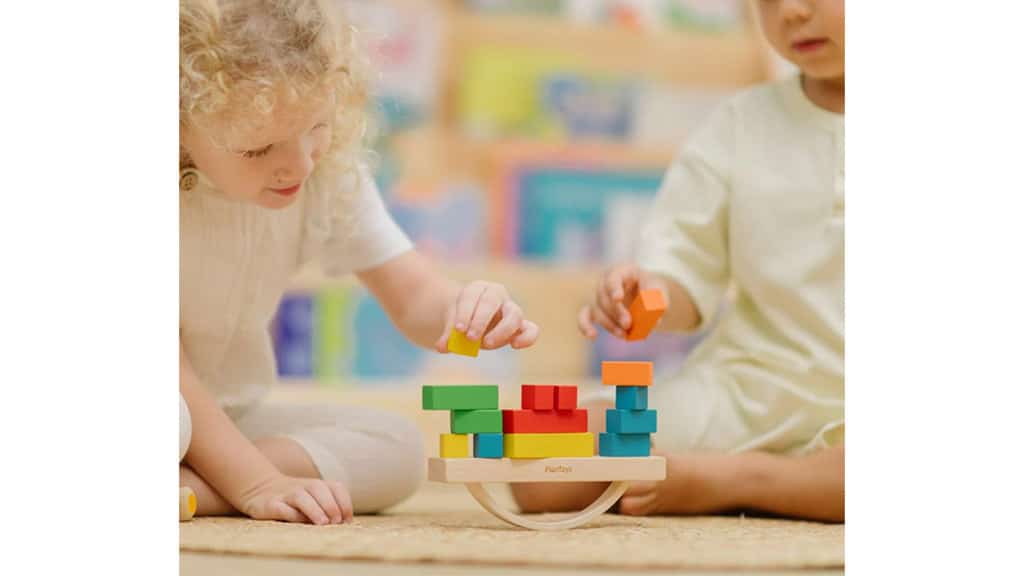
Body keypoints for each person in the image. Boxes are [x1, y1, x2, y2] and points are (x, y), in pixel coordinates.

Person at [179, 0, 540, 525]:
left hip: (231, 417)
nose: (298, 164)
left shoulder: (328, 174)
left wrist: (468, 310)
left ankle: (189, 492)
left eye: (317, 126)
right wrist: (256, 484)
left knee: (397, 447)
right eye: (258, 149)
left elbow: (415, 298)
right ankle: (214, 484)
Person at [512, 0, 845, 523]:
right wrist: (647, 294)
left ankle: (739, 481)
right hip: (745, 393)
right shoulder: (741, 124)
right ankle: (784, 481)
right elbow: (685, 272)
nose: (791, 13)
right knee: (540, 464)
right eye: (767, 0)